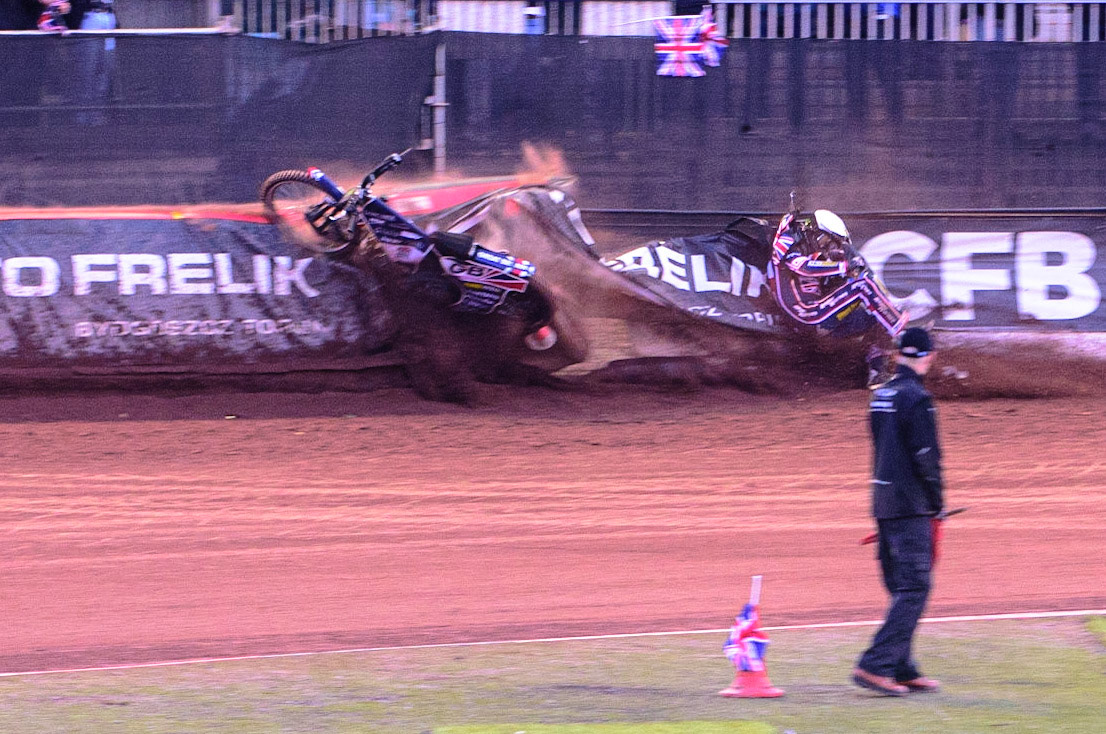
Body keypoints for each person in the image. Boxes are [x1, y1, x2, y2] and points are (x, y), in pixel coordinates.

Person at [852, 326, 943, 696]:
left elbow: (881, 446)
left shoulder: (882, 395)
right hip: (910, 506)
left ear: (898, 355)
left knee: (900, 587)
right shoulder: (918, 399)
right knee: (915, 586)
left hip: (883, 502)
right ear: (928, 356)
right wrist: (937, 503)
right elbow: (927, 458)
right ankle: (875, 665)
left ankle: (902, 667)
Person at [768, 206, 907, 340]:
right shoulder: (789, 244)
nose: (834, 249)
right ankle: (900, 333)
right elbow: (804, 267)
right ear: (821, 235)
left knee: (877, 316)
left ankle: (875, 359)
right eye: (834, 243)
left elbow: (857, 276)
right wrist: (844, 266)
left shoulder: (815, 255)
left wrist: (849, 269)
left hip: (817, 317)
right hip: (807, 314)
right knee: (862, 286)